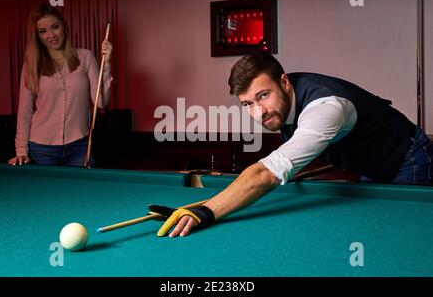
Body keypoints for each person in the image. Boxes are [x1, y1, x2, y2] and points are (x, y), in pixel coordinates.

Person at [149, 52, 433, 237]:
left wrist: (206, 211)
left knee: (407, 234)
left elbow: (265, 174)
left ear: (284, 82)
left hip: (408, 158)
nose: (258, 112)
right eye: (248, 103)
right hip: (369, 162)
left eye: (262, 96)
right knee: (377, 230)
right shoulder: (282, 105)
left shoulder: (325, 108)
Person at [8, 3, 113, 167]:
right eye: (43, 31)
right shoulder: (31, 65)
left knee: (83, 193)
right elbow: (25, 111)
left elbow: (101, 102)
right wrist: (21, 151)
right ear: (37, 36)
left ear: (64, 26)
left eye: (55, 27)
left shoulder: (85, 57)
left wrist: (106, 65)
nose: (51, 35)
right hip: (41, 149)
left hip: (80, 146)